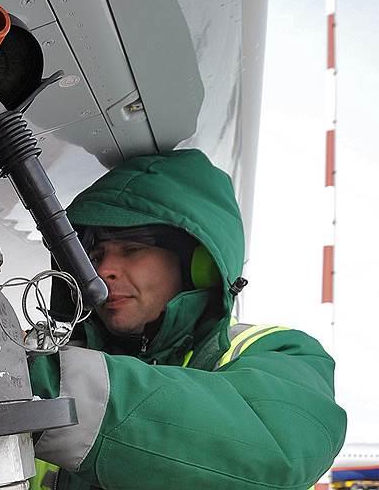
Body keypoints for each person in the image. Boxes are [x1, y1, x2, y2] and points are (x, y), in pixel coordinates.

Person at [27, 149, 347, 489]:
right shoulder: (62, 355)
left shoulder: (282, 351)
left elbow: (279, 452)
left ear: (198, 265)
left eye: (132, 250)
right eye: (96, 256)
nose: (104, 270)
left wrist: (35, 384)